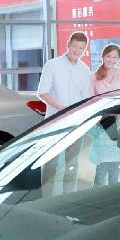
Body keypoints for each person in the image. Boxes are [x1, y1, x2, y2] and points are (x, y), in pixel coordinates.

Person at [37, 31, 92, 193]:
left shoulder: (84, 69)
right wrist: (62, 109)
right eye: (74, 46)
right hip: (55, 122)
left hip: (76, 123)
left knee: (72, 164)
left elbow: (85, 96)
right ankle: (46, 199)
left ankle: (67, 199)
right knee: (51, 163)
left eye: (81, 48)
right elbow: (43, 92)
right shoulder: (52, 65)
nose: (77, 50)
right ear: (68, 45)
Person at [89, 44, 120, 185]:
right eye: (109, 56)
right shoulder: (93, 77)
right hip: (104, 123)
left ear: (119, 58)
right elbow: (90, 100)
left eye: (115, 56)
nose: (111, 59)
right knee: (104, 159)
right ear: (103, 56)